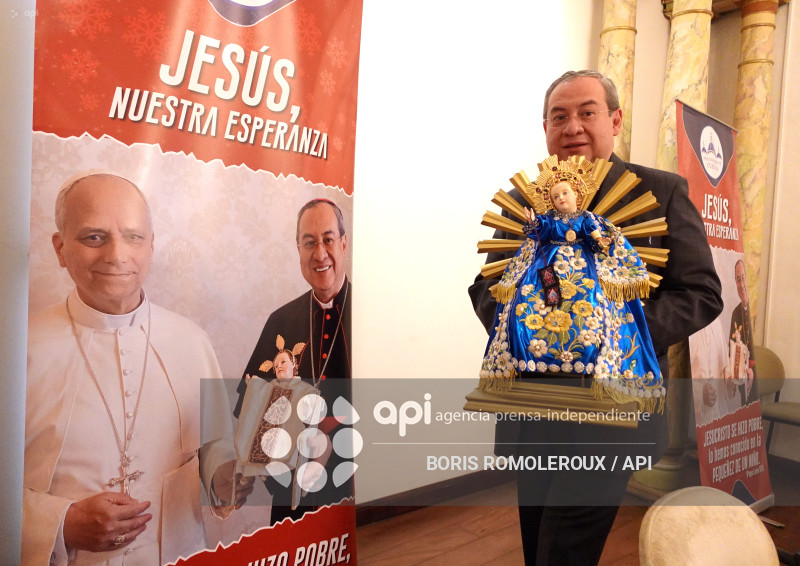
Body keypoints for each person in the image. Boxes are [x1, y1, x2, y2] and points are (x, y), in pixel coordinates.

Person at [468, 70, 723, 565]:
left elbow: (701, 293)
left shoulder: (662, 192)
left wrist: (612, 331)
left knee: (566, 549)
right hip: (532, 407)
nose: (573, 127)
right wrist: (523, 328)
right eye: (559, 117)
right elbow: (485, 285)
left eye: (587, 112)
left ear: (615, 119)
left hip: (611, 413)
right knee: (535, 536)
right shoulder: (528, 200)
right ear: (544, 128)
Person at [23, 172, 253, 566]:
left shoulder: (192, 341)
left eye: (133, 236)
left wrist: (226, 481)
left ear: (151, 246)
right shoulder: (16, 349)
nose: (116, 255)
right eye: (93, 237)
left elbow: (217, 464)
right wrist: (60, 523)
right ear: (60, 249)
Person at [479, 157, 664, 410]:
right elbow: (538, 232)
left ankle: (594, 355)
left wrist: (601, 242)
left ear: (576, 193)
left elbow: (596, 236)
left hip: (584, 268)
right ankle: (524, 350)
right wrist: (533, 222)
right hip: (547, 269)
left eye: (565, 193)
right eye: (556, 196)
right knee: (528, 303)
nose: (561, 199)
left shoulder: (587, 218)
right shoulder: (549, 220)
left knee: (595, 306)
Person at [234, 198, 351, 524]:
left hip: (353, 483)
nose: (320, 253)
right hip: (291, 486)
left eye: (328, 240)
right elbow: (249, 401)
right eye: (309, 243)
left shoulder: (369, 314)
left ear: (344, 244)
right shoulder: (281, 321)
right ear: (298, 250)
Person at [234, 341, 328, 524]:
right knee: (250, 452)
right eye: (276, 365)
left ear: (295, 365)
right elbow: (258, 390)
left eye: (283, 362)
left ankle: (298, 486)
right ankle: (246, 480)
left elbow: (311, 402)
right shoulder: (269, 386)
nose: (279, 367)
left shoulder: (303, 388)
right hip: (264, 433)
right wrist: (251, 383)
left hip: (286, 436)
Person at [729, 259, 758, 405]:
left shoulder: (756, 308)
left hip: (756, 376)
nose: (742, 284)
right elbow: (732, 350)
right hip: (742, 378)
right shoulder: (735, 313)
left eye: (743, 278)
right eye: (738, 279)